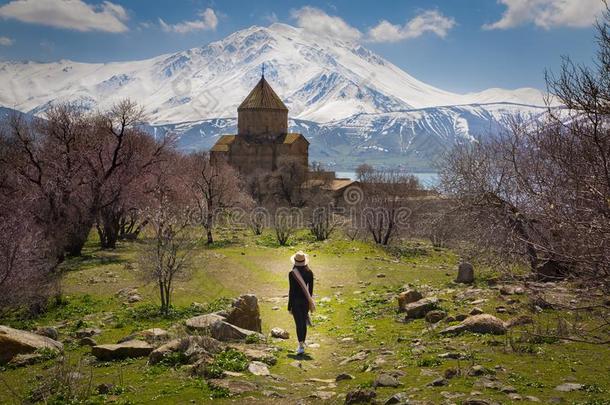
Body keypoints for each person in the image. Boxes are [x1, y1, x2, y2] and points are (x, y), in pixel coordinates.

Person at [287, 250, 315, 355]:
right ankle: (302, 342)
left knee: (299, 324)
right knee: (303, 322)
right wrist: (309, 302)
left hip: (295, 301)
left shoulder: (292, 273)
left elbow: (291, 290)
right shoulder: (309, 272)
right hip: (305, 301)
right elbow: (310, 290)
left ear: (295, 261)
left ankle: (301, 346)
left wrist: (289, 306)